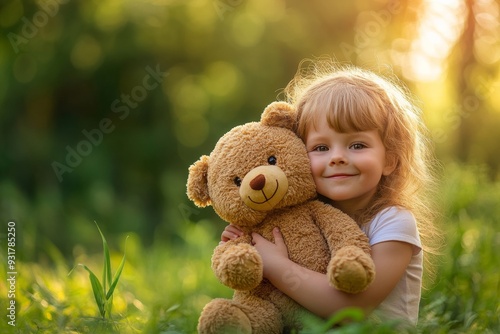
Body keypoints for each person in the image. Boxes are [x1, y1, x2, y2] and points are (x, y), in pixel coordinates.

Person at [220, 60, 440, 326]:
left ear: (390, 160)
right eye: (321, 148)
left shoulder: (394, 222)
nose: (337, 157)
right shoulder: (306, 223)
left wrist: (277, 266)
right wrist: (248, 243)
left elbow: (350, 309)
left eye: (357, 145)